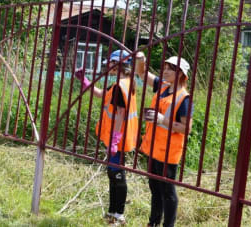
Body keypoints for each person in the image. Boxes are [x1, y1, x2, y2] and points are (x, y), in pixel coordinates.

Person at [75, 50, 138, 225]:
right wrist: (85, 81)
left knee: (117, 174)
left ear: (118, 64)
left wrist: (115, 140)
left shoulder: (121, 86)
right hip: (115, 137)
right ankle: (112, 212)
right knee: (113, 173)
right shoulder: (122, 83)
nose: (107, 65)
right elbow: (101, 94)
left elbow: (119, 114)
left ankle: (119, 215)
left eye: (110, 62)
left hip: (117, 139)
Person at [136, 53, 193, 227]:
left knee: (168, 191)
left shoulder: (184, 98)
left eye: (170, 69)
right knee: (154, 188)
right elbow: (143, 75)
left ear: (181, 74)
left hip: (169, 151)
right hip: (153, 147)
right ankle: (153, 223)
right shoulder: (162, 86)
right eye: (166, 67)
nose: (165, 71)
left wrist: (162, 120)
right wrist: (141, 60)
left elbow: (186, 129)